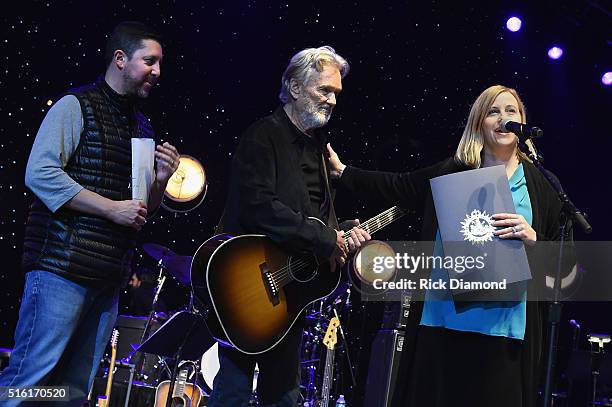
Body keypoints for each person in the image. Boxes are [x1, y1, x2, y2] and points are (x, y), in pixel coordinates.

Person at [327, 84, 573, 407]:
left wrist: (534, 240)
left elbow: (566, 265)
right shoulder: (453, 171)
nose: (503, 118)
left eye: (511, 112)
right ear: (478, 123)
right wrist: (344, 173)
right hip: (442, 325)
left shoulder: (540, 185)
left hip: (504, 334)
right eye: (493, 112)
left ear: (523, 123)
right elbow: (399, 186)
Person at [0, 21, 180, 406]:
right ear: (120, 59)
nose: (158, 72)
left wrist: (162, 179)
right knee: (30, 378)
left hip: (107, 277)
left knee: (72, 390)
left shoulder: (142, 127)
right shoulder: (75, 106)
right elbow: (41, 174)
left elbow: (140, 208)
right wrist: (111, 209)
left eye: (161, 63)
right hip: (61, 268)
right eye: (150, 61)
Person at [208, 46, 370, 406]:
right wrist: (324, 237)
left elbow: (308, 217)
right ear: (295, 88)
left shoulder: (318, 148)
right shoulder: (262, 136)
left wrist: (341, 232)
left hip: (289, 293)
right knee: (233, 390)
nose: (331, 100)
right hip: (248, 283)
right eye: (324, 90)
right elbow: (259, 207)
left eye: (336, 94)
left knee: (283, 395)